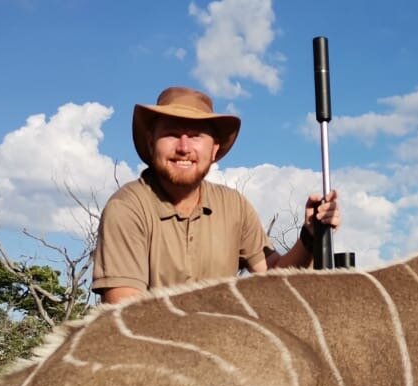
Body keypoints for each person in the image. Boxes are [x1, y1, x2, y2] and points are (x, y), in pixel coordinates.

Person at [92, 86, 341, 304]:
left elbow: (272, 278)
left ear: (214, 150)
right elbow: (124, 313)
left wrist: (310, 237)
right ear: (150, 143)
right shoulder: (127, 208)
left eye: (195, 136)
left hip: (223, 347)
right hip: (154, 354)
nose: (183, 147)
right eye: (171, 133)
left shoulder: (233, 205)